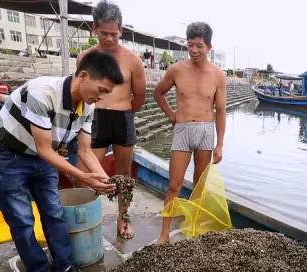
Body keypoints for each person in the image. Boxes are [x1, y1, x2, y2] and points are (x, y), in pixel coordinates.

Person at [0, 51, 124, 272]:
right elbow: (43, 149)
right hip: (10, 156)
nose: (101, 97)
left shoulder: (87, 107)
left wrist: (106, 179)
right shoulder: (43, 93)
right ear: (83, 76)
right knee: (22, 219)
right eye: (101, 90)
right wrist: (85, 178)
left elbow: (84, 150)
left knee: (54, 212)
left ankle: (64, 266)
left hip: (46, 156)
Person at [77, 0, 146, 239]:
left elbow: (140, 96)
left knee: (124, 175)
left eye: (114, 34)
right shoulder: (85, 57)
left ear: (121, 31)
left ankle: (123, 218)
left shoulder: (132, 60)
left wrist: (123, 111)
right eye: (104, 33)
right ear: (94, 28)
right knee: (87, 173)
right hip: (94, 119)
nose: (109, 39)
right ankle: (87, 219)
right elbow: (79, 90)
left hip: (122, 119)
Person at [153, 22, 226, 245]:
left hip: (205, 131)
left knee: (199, 186)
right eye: (190, 45)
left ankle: (195, 227)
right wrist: (171, 115)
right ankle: (164, 232)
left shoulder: (218, 75)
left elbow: (221, 111)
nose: (194, 50)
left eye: (199, 46)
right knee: (174, 185)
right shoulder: (177, 69)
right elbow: (158, 93)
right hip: (182, 130)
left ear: (209, 47)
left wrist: (220, 144)